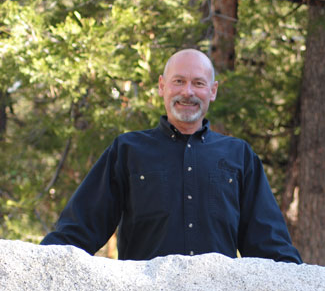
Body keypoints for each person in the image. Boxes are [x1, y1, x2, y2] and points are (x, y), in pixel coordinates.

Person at [41, 49, 302, 264]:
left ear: (212, 91)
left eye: (198, 83)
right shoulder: (127, 150)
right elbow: (79, 229)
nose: (188, 92)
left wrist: (300, 284)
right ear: (162, 86)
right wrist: (38, 264)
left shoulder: (239, 155)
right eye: (179, 81)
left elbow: (270, 245)